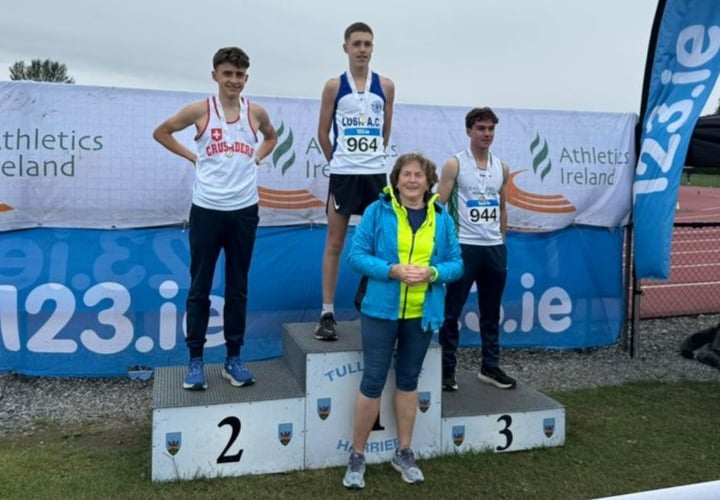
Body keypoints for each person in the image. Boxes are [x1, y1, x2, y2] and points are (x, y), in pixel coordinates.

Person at [153, 47, 277, 390]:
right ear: (215, 76)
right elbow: (162, 132)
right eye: (227, 74)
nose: (233, 81)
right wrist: (193, 157)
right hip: (207, 209)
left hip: (244, 210)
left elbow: (271, 137)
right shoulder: (200, 110)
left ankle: (233, 359)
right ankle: (195, 362)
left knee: (238, 287)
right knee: (200, 287)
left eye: (239, 75)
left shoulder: (256, 112)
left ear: (246, 78)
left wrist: (256, 157)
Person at [342, 153, 463, 489]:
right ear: (396, 180)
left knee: (408, 381)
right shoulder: (376, 211)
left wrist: (433, 272)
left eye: (419, 175)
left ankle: (404, 452)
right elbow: (356, 256)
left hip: (422, 314)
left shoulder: (442, 218)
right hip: (380, 311)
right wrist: (390, 270)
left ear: (429, 182)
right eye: (406, 174)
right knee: (373, 381)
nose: (412, 180)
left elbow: (456, 264)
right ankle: (357, 455)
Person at [315, 21, 396, 341]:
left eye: (368, 44)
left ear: (373, 48)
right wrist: (337, 162)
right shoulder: (334, 86)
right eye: (357, 43)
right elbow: (322, 132)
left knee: (382, 242)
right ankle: (327, 312)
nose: (363, 49)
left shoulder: (386, 86)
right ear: (346, 47)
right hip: (344, 174)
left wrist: (373, 157)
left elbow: (386, 130)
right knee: (335, 242)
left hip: (375, 174)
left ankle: (371, 301)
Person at [437, 107, 517, 391]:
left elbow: (502, 207)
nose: (486, 134)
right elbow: (438, 207)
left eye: (491, 129)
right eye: (481, 128)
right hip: (464, 248)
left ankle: (490, 366)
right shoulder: (455, 164)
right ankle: (446, 370)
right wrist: (445, 246)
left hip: (493, 248)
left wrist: (502, 242)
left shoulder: (501, 167)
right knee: (451, 311)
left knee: (491, 310)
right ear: (469, 131)